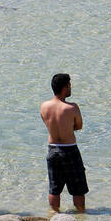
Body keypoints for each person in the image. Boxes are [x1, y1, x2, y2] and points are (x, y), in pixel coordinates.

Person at [40, 72, 88, 212]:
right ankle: (81, 216)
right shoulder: (72, 107)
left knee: (54, 188)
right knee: (78, 189)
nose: (70, 88)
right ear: (65, 87)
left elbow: (47, 123)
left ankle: (54, 216)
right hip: (69, 149)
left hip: (52, 149)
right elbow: (79, 126)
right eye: (69, 85)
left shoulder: (44, 106)